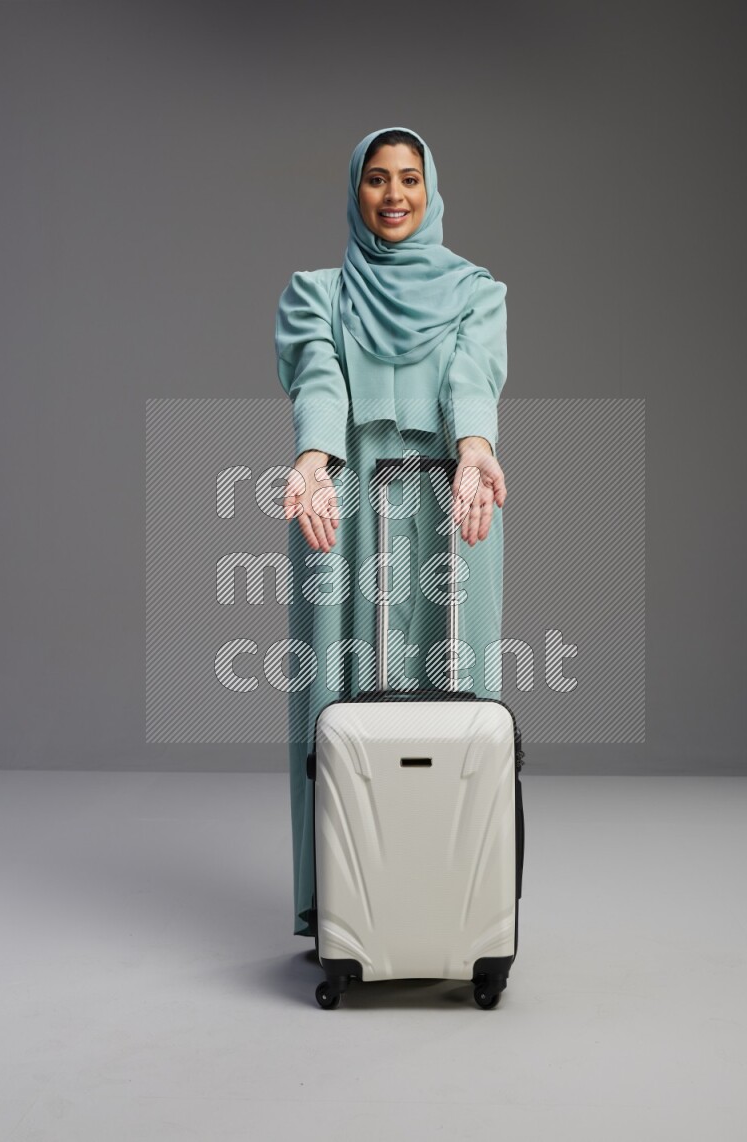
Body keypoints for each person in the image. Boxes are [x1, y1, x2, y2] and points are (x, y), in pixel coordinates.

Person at [275, 126, 509, 938]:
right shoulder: (317, 291)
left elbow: (472, 375)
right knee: (334, 694)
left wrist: (475, 451)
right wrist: (311, 460)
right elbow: (317, 375)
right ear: (356, 191)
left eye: (410, 178)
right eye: (377, 179)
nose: (395, 194)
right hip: (341, 499)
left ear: (432, 188)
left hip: (453, 501)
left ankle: (456, 899)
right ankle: (339, 901)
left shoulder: (477, 291)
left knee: (455, 686)